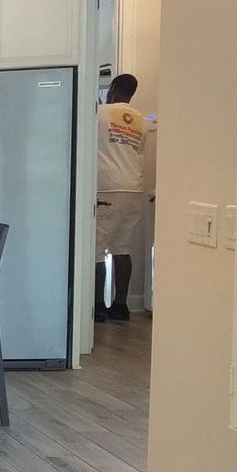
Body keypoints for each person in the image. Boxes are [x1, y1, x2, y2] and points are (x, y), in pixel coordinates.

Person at [94, 72, 152, 321]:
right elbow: (137, 152)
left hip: (108, 187)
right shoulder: (142, 121)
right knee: (122, 249)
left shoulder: (100, 113)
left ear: (114, 88)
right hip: (133, 187)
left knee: (96, 249)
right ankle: (121, 306)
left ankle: (97, 306)